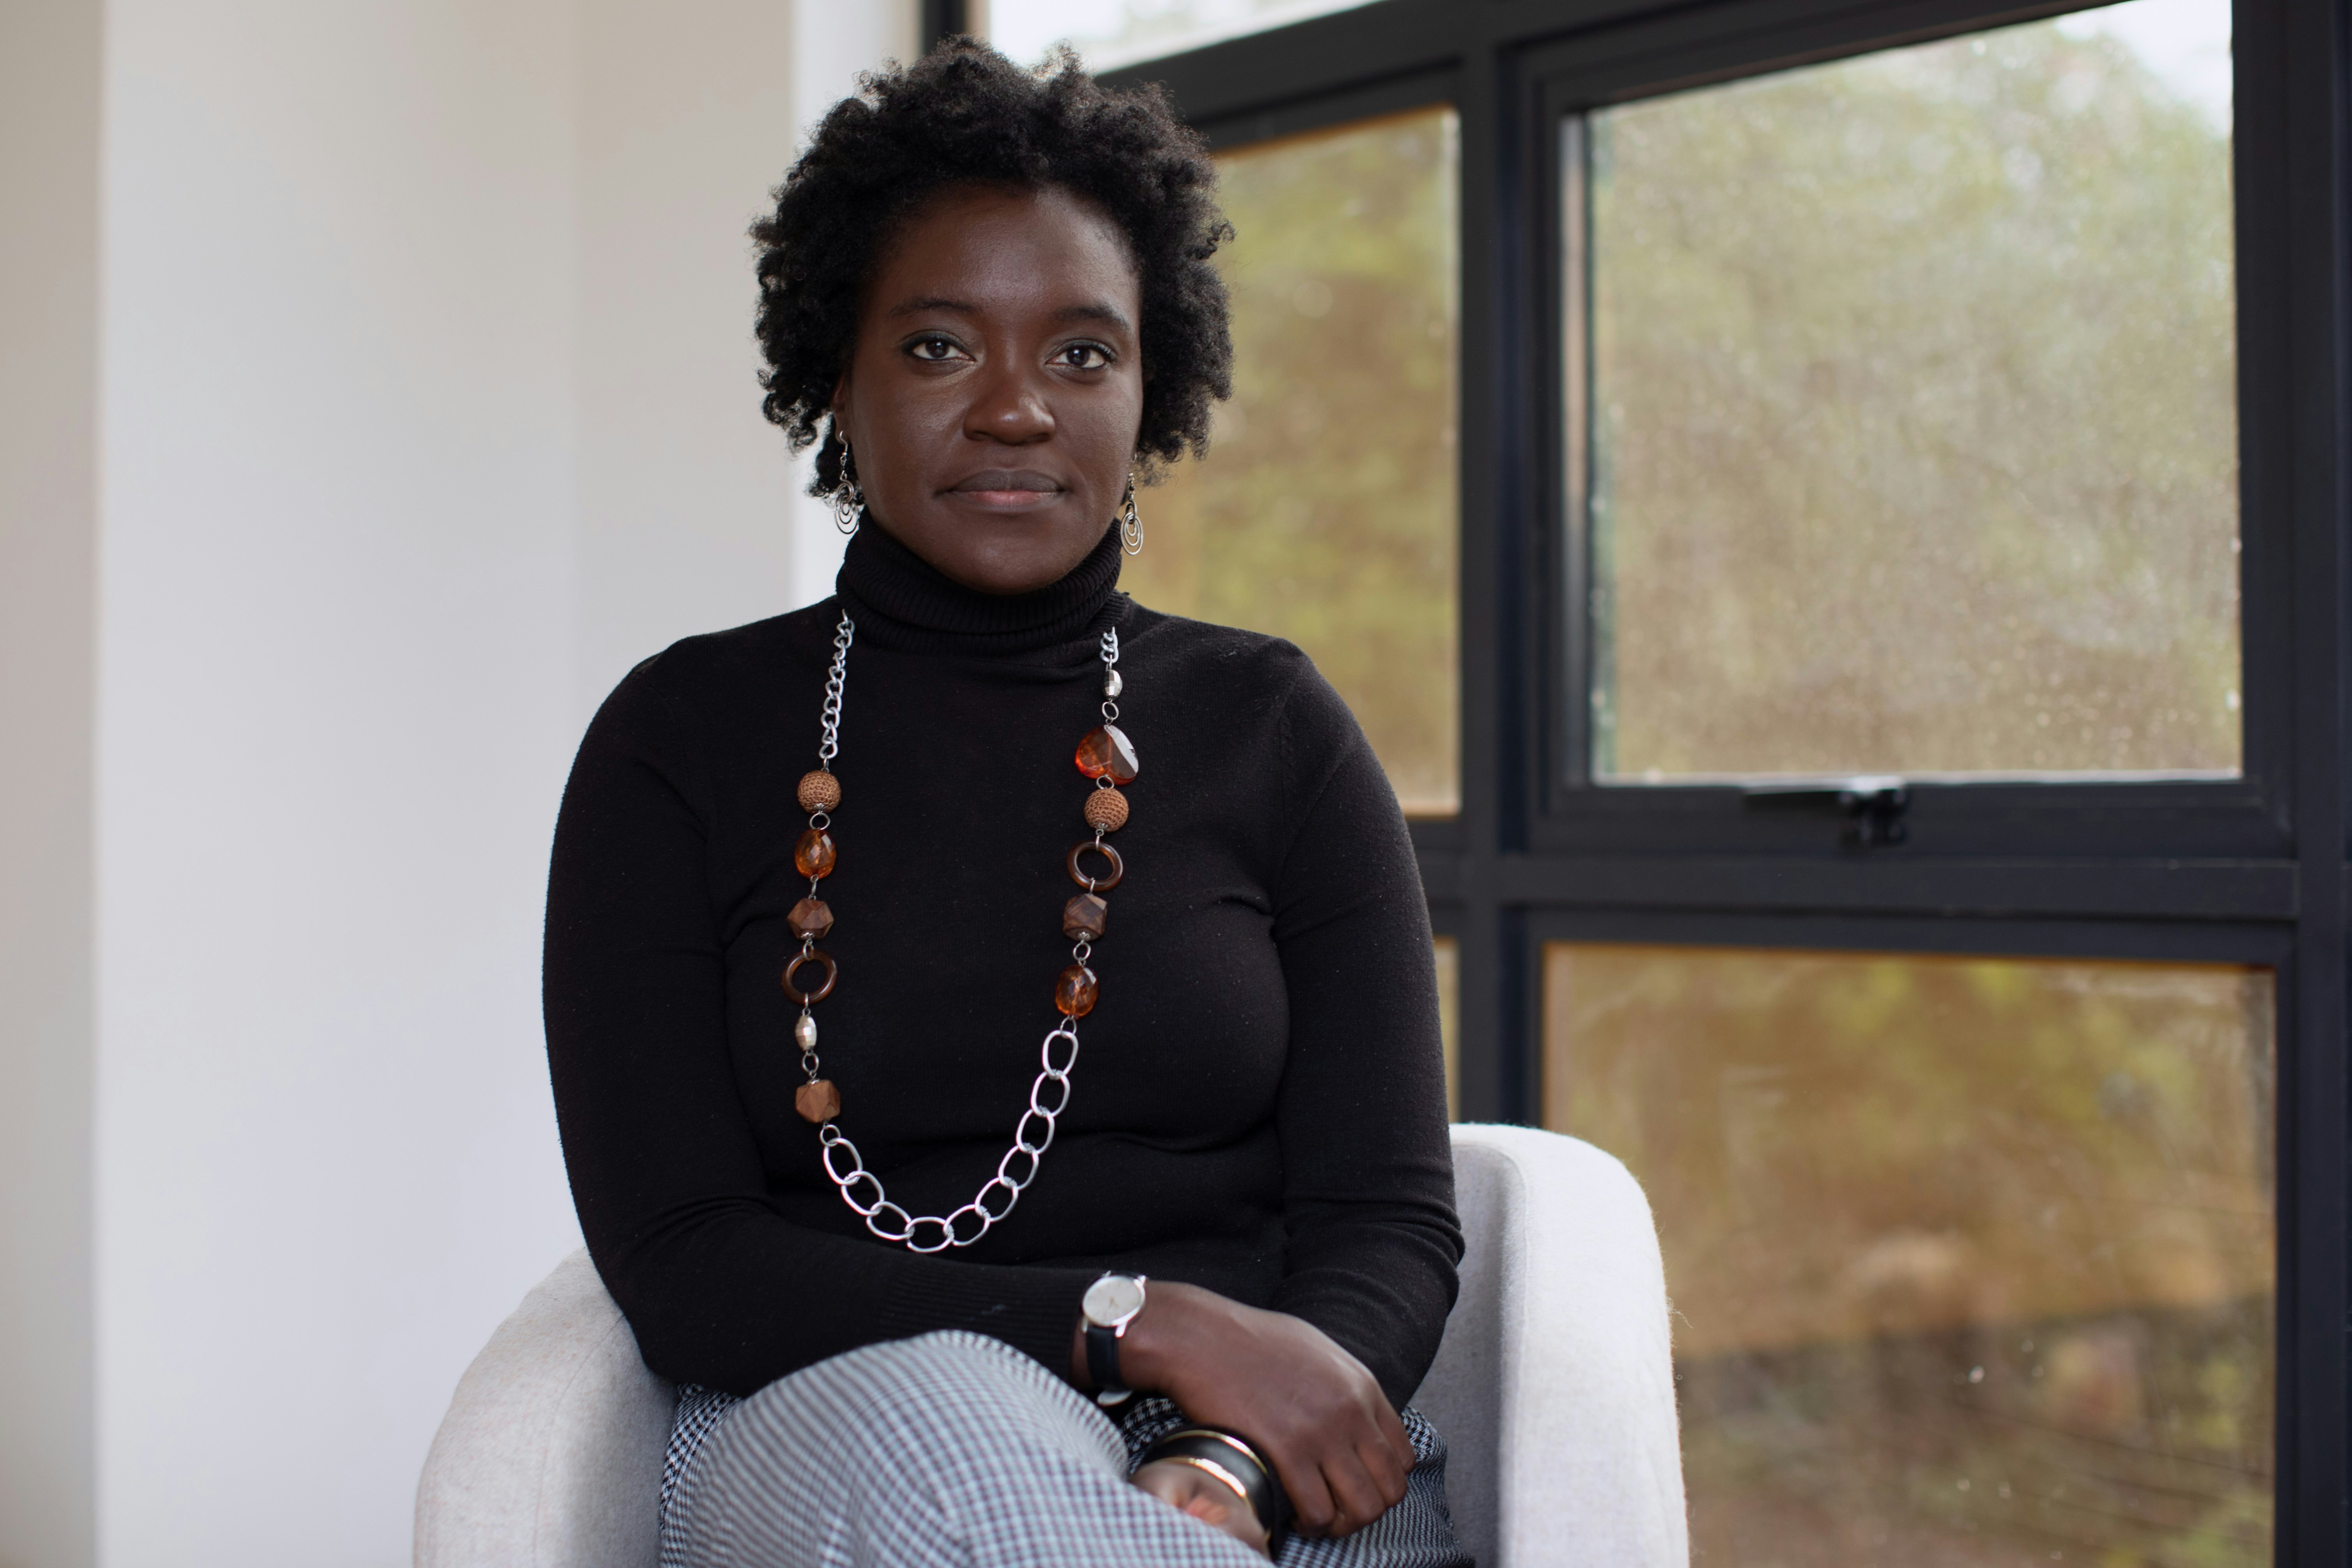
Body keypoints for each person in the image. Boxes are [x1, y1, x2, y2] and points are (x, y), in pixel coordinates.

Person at [543, 37, 1465, 1568]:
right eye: (939, 347)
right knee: (963, 1463)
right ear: (839, 376)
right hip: (852, 1413)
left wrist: (1233, 1456)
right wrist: (1141, 1324)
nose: (1019, 408)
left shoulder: (1271, 726)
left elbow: (1390, 1220)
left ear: (1149, 381)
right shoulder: (681, 743)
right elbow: (687, 1259)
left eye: (1083, 352)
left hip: (1262, 1442)